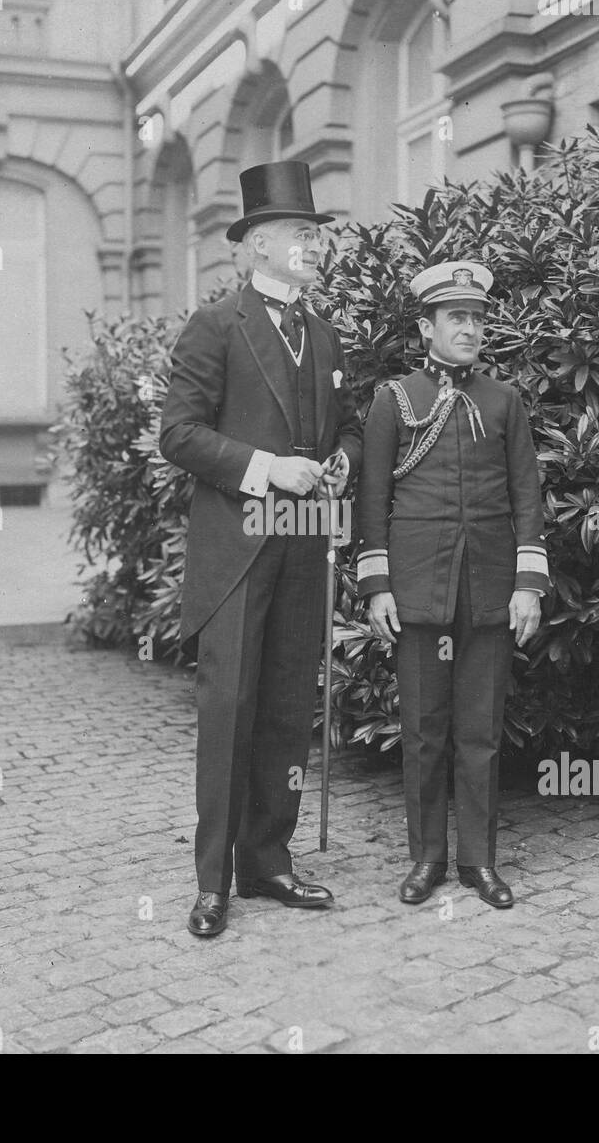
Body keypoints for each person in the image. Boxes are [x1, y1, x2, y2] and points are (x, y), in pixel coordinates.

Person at [160, 160, 363, 937]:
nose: (314, 247)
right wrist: (266, 469)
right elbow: (177, 433)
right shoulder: (216, 326)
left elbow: (340, 425)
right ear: (254, 247)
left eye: (315, 234)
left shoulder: (325, 332)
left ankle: (268, 861)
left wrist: (340, 456)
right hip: (238, 551)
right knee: (230, 711)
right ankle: (213, 881)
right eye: (300, 234)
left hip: (305, 547)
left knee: (285, 709)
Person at [354, 260, 549, 909]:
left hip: (490, 591)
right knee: (424, 730)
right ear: (426, 326)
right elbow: (373, 498)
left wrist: (528, 584)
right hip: (418, 589)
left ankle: (480, 862)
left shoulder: (503, 401)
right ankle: (427, 859)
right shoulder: (396, 401)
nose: (470, 329)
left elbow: (528, 495)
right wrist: (379, 586)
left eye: (477, 318)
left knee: (480, 731)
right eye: (456, 318)